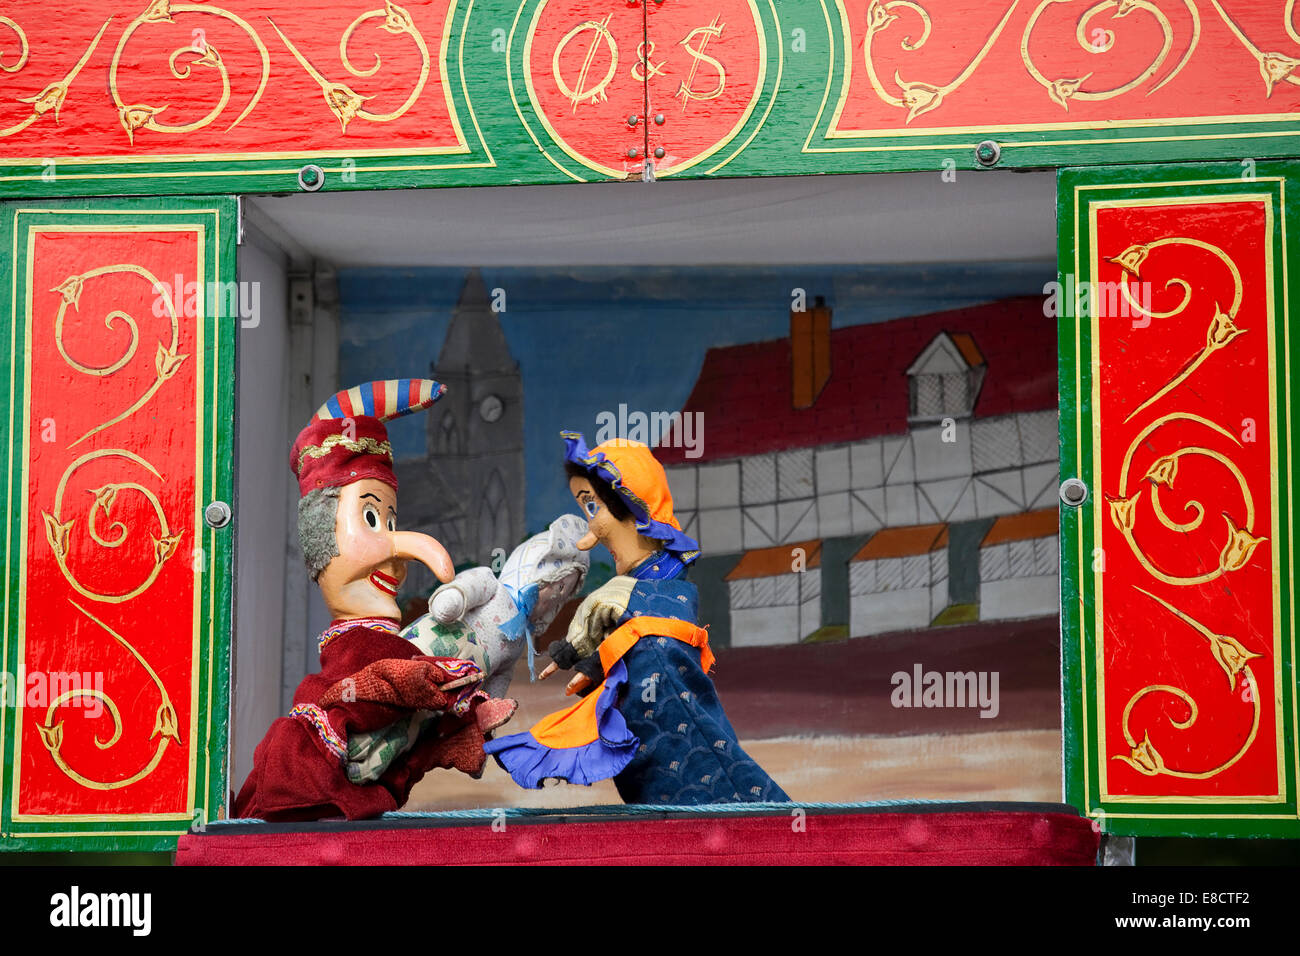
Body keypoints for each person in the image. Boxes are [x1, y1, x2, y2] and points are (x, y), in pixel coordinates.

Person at [233, 379, 515, 821]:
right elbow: (388, 679)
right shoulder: (364, 648)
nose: (396, 553)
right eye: (370, 518)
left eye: (390, 520)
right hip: (313, 800)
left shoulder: (377, 644)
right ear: (320, 542)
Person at [484, 432, 789, 804]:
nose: (590, 532)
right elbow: (638, 639)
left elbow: (661, 637)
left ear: (629, 502)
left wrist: (607, 652)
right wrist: (600, 658)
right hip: (652, 763)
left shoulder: (660, 592)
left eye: (592, 506)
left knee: (733, 809)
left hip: (694, 755)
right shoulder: (628, 595)